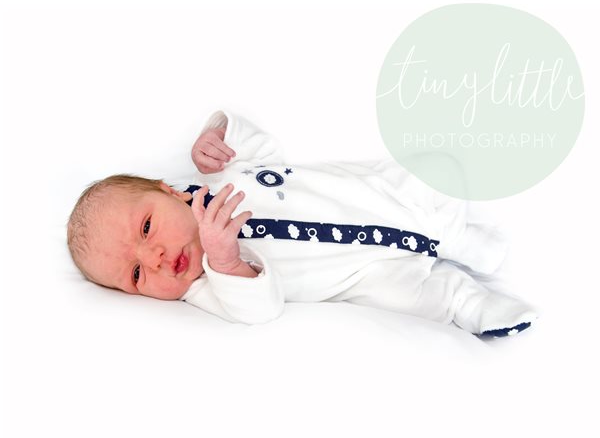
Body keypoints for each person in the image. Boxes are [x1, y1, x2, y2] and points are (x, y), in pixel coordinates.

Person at [67, 110, 538, 337]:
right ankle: (468, 301)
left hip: (367, 201)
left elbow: (263, 150)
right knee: (412, 300)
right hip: (360, 275)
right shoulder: (206, 285)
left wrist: (218, 137)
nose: (154, 259)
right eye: (135, 275)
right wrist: (226, 262)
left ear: (169, 190)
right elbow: (259, 310)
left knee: (433, 173)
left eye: (146, 229)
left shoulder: (215, 179)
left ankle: (456, 237)